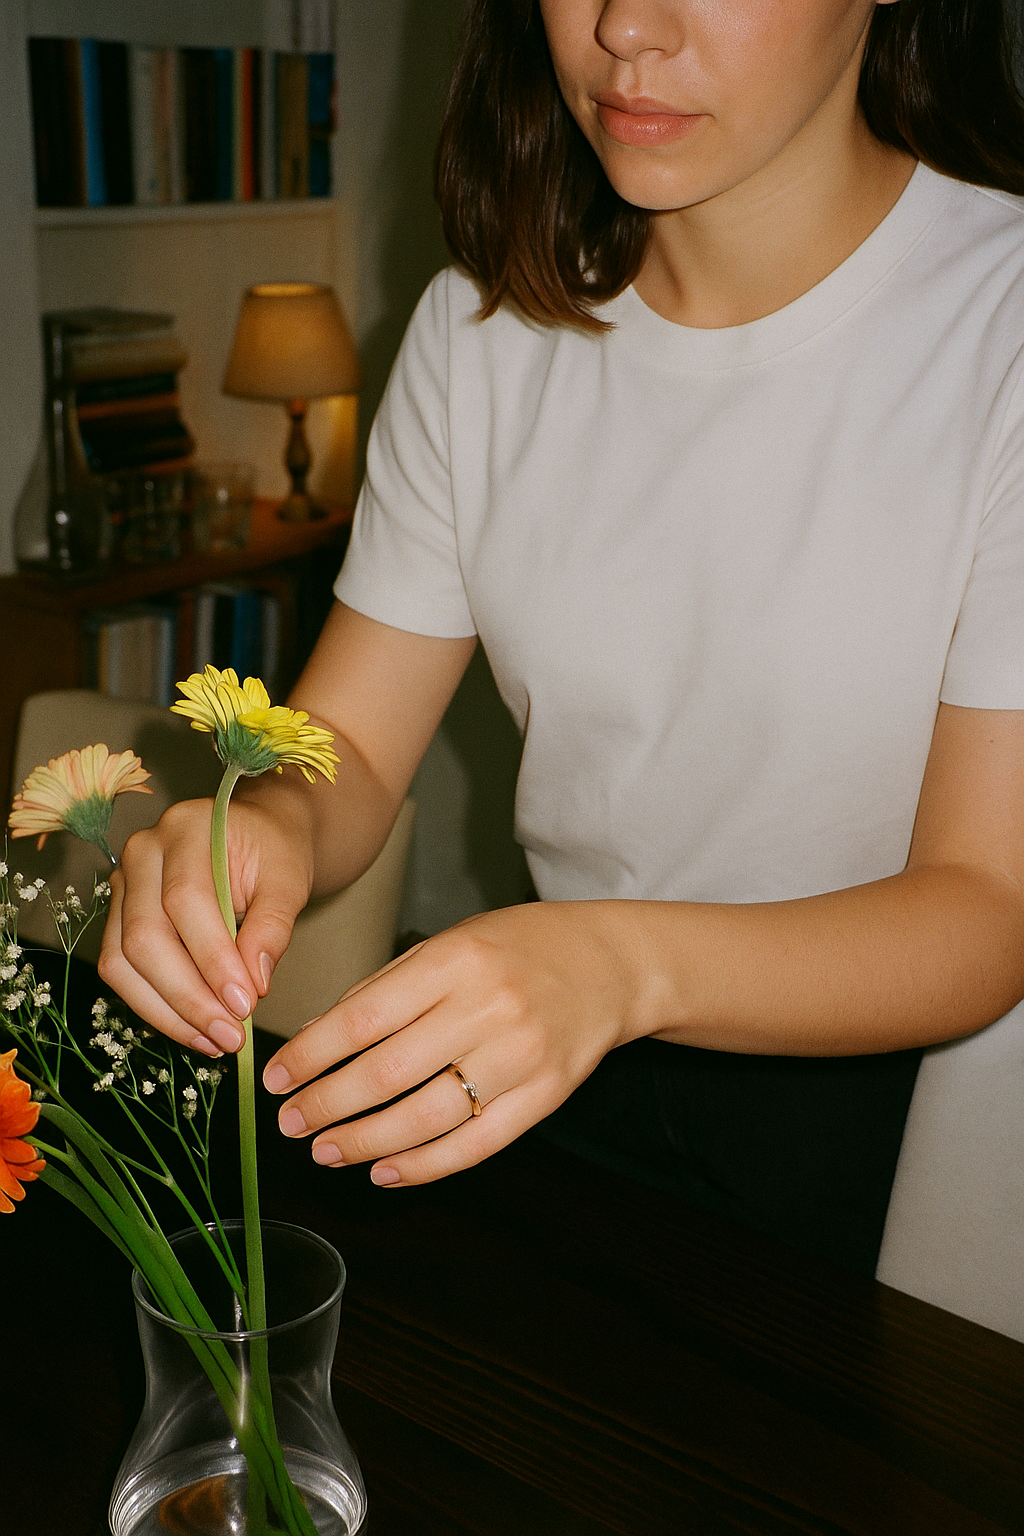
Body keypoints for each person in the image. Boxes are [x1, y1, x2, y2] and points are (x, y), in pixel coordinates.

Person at [101, 0, 1024, 1274]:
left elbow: (986, 907)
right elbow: (352, 739)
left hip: (912, 1125)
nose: (625, 27)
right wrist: (268, 818)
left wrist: (616, 965)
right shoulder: (479, 328)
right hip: (561, 1049)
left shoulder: (999, 324)